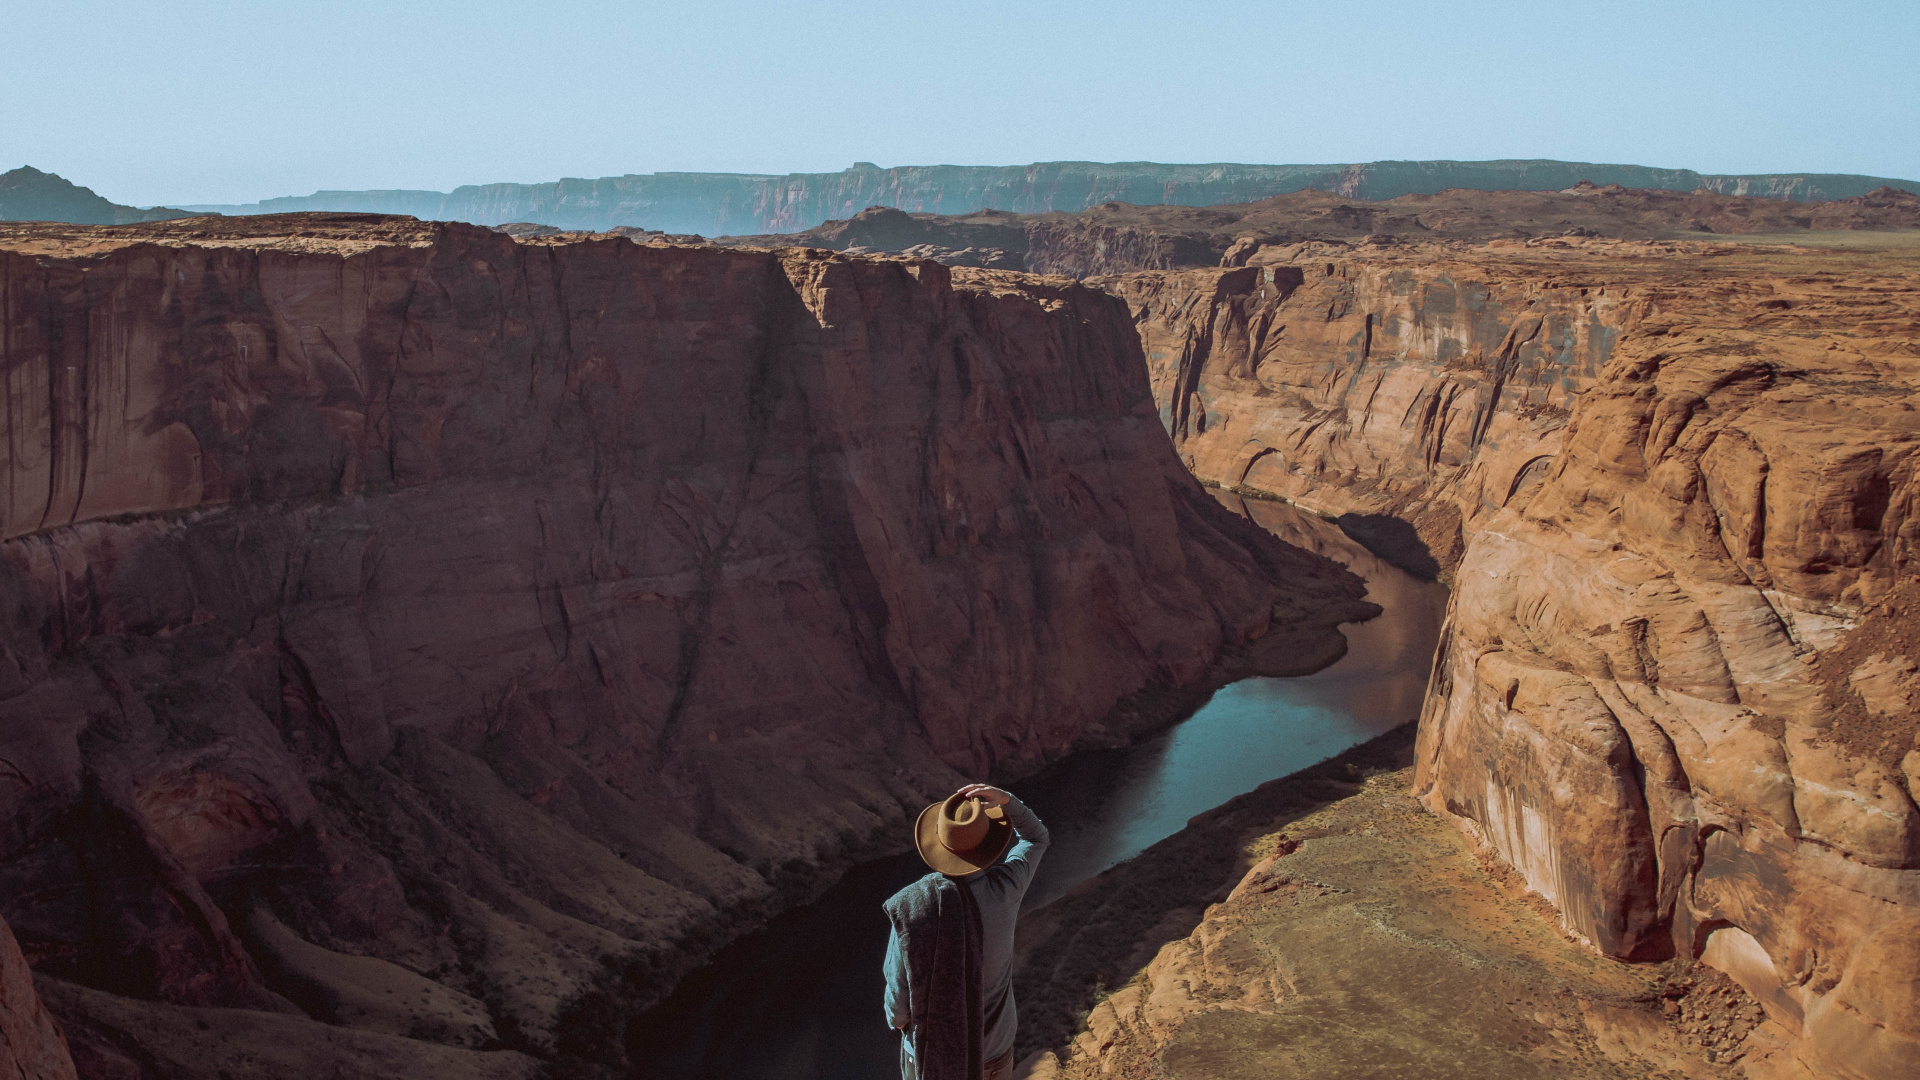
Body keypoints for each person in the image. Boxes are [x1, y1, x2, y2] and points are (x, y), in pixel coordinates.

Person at [883, 783, 1050, 1080]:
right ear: (986, 843)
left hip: (930, 1058)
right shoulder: (1006, 889)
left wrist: (898, 1021)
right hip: (995, 1054)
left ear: (938, 844)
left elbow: (899, 1002)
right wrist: (1007, 801)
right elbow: (1036, 837)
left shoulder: (911, 908)